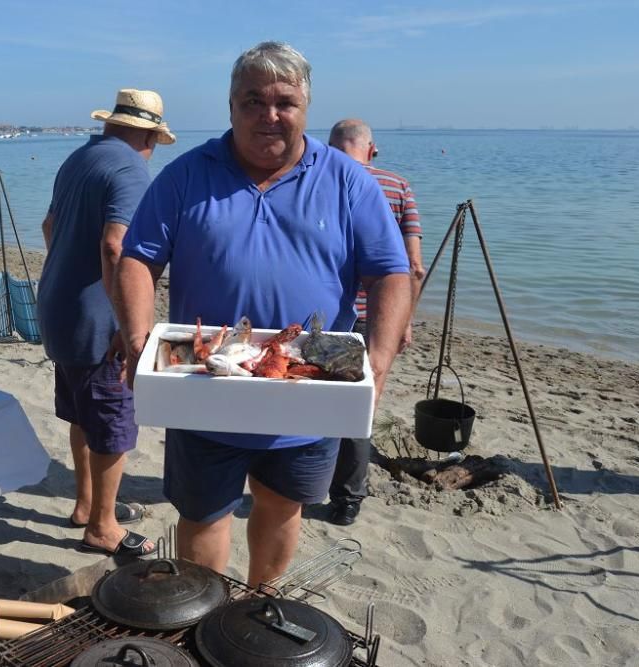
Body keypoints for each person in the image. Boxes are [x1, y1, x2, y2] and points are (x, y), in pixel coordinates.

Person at [114, 42, 412, 586]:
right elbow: (137, 259)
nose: (268, 115)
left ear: (305, 109)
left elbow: (391, 273)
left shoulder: (347, 180)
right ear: (230, 106)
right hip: (201, 383)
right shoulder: (184, 176)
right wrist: (137, 337)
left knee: (281, 508)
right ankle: (202, 610)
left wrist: (381, 363)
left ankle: (256, 602)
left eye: (284, 102)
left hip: (308, 384)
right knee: (202, 513)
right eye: (252, 100)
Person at [37, 88, 176, 557]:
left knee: (82, 412)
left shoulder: (79, 159)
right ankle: (102, 527)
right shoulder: (130, 169)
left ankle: (87, 504)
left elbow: (49, 227)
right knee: (113, 421)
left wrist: (70, 271)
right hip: (96, 319)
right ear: (147, 136)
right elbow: (116, 246)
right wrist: (127, 321)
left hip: (58, 306)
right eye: (155, 140)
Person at [326, 118, 426, 526]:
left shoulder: (318, 181)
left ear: (329, 147)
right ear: (373, 149)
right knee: (360, 408)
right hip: (376, 319)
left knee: (307, 399)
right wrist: (403, 320)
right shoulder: (398, 187)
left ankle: (296, 483)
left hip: (327, 315)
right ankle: (347, 500)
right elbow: (413, 268)